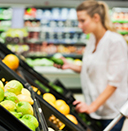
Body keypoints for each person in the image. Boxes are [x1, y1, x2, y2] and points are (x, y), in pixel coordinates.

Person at [54, 0, 128, 130]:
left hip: (110, 112)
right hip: (95, 109)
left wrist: (91, 107)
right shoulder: (92, 39)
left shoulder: (115, 42)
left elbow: (114, 82)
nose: (79, 25)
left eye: (82, 20)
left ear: (96, 18)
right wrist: (70, 66)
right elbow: (92, 68)